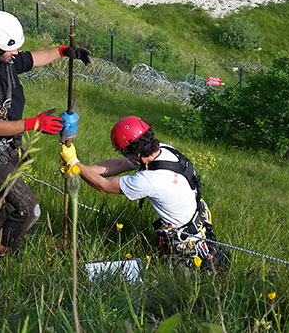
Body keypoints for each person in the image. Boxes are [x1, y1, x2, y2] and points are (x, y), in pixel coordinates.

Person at [0, 10, 91, 259]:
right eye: (11, 49)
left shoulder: (4, 59)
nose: (17, 53)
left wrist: (64, 51)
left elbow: (32, 59)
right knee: (29, 209)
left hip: (7, 145)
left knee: (6, 206)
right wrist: (34, 124)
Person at [60, 116, 226, 270]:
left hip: (186, 243)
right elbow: (118, 165)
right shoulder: (165, 150)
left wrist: (75, 163)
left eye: (125, 152)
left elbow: (104, 186)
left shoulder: (150, 180)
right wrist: (81, 169)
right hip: (199, 224)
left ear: (136, 154)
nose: (124, 157)